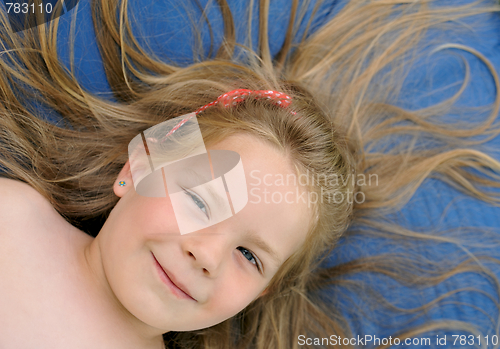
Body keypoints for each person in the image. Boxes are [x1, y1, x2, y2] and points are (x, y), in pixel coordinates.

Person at [0, 0, 499, 348]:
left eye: (249, 256)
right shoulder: (14, 217)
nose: (208, 255)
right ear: (141, 163)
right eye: (200, 199)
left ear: (262, 293)